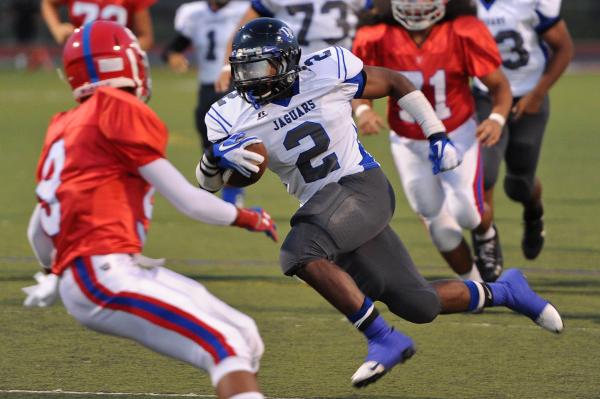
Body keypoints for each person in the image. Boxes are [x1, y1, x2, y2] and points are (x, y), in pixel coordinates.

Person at [196, 17, 563, 388]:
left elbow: (396, 82)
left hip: (360, 188)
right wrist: (214, 159)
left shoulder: (327, 69)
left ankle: (382, 338)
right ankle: (507, 290)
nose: (250, 78)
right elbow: (209, 184)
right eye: (243, 68)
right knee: (419, 305)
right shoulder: (227, 114)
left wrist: (434, 132)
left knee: (298, 253)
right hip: (327, 209)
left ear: (287, 61)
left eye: (260, 66)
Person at [22, 21, 277, 399]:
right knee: (226, 345)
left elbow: (38, 230)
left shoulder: (64, 124)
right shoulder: (117, 108)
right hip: (102, 273)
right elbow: (187, 200)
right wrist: (247, 217)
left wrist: (51, 268)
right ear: (120, 64)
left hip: (108, 268)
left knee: (245, 335)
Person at [351, 0, 512, 282]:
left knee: (467, 214)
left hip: (456, 134)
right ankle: (476, 285)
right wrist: (363, 110)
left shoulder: (463, 30)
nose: (416, 4)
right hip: (409, 141)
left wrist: (496, 118)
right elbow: (357, 84)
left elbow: (499, 85)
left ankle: (486, 233)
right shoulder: (375, 34)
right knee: (439, 227)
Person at [474, 0, 574, 261]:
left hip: (527, 96)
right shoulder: (463, 5)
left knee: (519, 185)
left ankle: (533, 212)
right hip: (486, 96)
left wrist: (538, 93)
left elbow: (564, 48)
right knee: (484, 173)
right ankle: (486, 241)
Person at [163, 0, 250, 206]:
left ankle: (232, 196)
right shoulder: (193, 13)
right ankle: (212, 194)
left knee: (233, 139)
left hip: (236, 84)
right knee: (208, 143)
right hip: (207, 87)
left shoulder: (245, 10)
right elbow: (175, 46)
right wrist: (173, 56)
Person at [40, 0, 155, 50]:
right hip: (82, 57)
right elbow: (48, 3)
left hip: (117, 62)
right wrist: (57, 29)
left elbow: (146, 38)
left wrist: (126, 49)